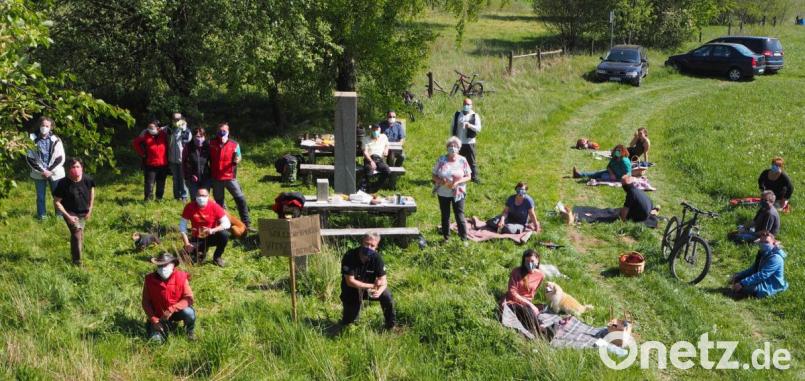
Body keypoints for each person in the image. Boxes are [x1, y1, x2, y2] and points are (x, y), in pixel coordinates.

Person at [339, 232, 396, 329]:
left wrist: (379, 291)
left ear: (376, 247)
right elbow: (350, 282)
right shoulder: (350, 256)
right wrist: (372, 286)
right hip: (352, 290)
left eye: (372, 245)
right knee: (349, 324)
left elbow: (384, 280)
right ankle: (351, 318)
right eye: (366, 243)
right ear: (362, 242)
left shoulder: (377, 258)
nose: (369, 247)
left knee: (386, 295)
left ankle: (390, 325)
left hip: (369, 291)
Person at [142, 252, 196, 342]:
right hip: (158, 315)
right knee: (155, 341)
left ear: (173, 264)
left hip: (176, 312)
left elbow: (189, 298)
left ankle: (190, 332)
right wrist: (154, 320)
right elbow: (146, 302)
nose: (163, 268)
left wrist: (172, 309)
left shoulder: (181, 277)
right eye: (160, 265)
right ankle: (158, 328)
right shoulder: (149, 279)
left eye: (165, 265)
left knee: (189, 313)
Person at [52, 158, 95, 266]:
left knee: (79, 234)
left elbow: (92, 193)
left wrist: (90, 209)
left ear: (82, 168)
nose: (75, 169)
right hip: (70, 212)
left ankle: (78, 252)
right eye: (72, 167)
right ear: (68, 169)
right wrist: (68, 216)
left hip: (84, 211)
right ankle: (77, 262)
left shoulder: (88, 179)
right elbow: (56, 202)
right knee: (76, 234)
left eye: (77, 166)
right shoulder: (63, 183)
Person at [209, 122, 251, 229]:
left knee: (240, 199)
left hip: (230, 177)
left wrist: (238, 159)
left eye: (224, 130)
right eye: (220, 130)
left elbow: (239, 156)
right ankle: (225, 225)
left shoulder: (234, 144)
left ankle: (246, 224)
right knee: (219, 203)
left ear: (228, 131)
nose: (222, 132)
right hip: (216, 178)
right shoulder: (211, 143)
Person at [25, 116, 66, 220]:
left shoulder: (56, 139)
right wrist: (42, 171)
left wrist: (50, 171)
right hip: (39, 173)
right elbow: (30, 158)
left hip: (55, 173)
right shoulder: (32, 139)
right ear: (39, 126)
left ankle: (60, 216)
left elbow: (60, 158)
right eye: (43, 125)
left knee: (57, 196)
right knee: (40, 197)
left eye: (47, 126)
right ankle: (42, 216)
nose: (44, 127)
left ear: (51, 127)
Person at [432, 137, 472, 241]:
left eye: (455, 146)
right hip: (443, 192)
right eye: (451, 146)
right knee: (445, 215)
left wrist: (457, 182)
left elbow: (468, 176)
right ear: (447, 148)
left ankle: (464, 239)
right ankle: (446, 238)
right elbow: (434, 175)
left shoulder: (463, 160)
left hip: (458, 192)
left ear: (459, 148)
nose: (453, 148)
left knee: (459, 215)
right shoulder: (441, 159)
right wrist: (442, 182)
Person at [179, 188, 231, 267]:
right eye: (199, 195)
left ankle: (217, 257)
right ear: (196, 196)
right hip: (197, 237)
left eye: (203, 195)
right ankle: (200, 251)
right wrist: (187, 243)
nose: (201, 198)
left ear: (208, 196)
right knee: (193, 261)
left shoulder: (214, 206)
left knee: (225, 234)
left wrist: (212, 230)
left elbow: (227, 223)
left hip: (211, 236)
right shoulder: (189, 207)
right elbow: (182, 226)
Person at [730, 231, 788, 299]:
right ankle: (738, 288)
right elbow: (754, 269)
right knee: (737, 278)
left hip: (770, 286)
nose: (764, 244)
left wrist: (742, 283)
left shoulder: (776, 258)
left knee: (744, 288)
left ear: (773, 243)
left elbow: (763, 275)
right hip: (761, 280)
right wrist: (739, 275)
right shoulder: (763, 253)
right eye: (762, 242)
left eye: (766, 242)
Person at [501, 249, 544, 335]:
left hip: (527, 303)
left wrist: (530, 304)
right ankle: (539, 333)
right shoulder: (516, 272)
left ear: (537, 260)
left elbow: (533, 292)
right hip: (512, 301)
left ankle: (539, 326)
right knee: (527, 312)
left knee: (545, 308)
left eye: (532, 261)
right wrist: (530, 305)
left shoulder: (540, 275)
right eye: (527, 261)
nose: (529, 263)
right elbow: (512, 292)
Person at [132, 121, 169, 201]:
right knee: (149, 183)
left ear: (158, 128)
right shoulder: (145, 135)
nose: (149, 129)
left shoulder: (164, 135)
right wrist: (142, 153)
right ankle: (148, 199)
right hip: (150, 164)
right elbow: (135, 143)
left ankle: (159, 198)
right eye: (148, 128)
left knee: (161, 183)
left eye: (152, 128)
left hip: (163, 164)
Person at [450, 98, 482, 183]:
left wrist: (470, 125)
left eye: (468, 105)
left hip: (470, 142)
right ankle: (458, 176)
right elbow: (452, 127)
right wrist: (453, 139)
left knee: (472, 160)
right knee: (457, 160)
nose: (466, 106)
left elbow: (478, 129)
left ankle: (474, 177)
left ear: (471, 106)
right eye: (465, 104)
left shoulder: (475, 115)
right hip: (459, 142)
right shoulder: (457, 115)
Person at [167, 113, 192, 201]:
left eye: (178, 119)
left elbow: (188, 139)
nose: (176, 120)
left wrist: (184, 129)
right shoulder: (170, 129)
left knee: (183, 178)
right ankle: (177, 196)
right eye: (174, 119)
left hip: (183, 159)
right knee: (175, 178)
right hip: (172, 159)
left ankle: (184, 196)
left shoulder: (186, 130)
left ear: (182, 119)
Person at [360, 124, 390, 192]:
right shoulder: (366, 139)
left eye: (377, 130)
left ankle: (375, 187)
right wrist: (371, 161)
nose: (375, 131)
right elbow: (365, 152)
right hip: (369, 158)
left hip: (379, 159)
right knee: (369, 171)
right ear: (371, 130)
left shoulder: (384, 137)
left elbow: (387, 145)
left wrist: (386, 150)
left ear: (380, 130)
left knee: (387, 171)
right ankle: (366, 188)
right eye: (374, 130)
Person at [182, 127, 211, 198]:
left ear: (204, 136)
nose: (199, 138)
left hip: (206, 178)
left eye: (201, 136)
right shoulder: (188, 147)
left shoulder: (208, 146)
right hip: (192, 178)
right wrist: (188, 176)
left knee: (204, 199)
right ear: (193, 136)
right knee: (195, 199)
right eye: (197, 136)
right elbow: (184, 163)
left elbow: (212, 162)